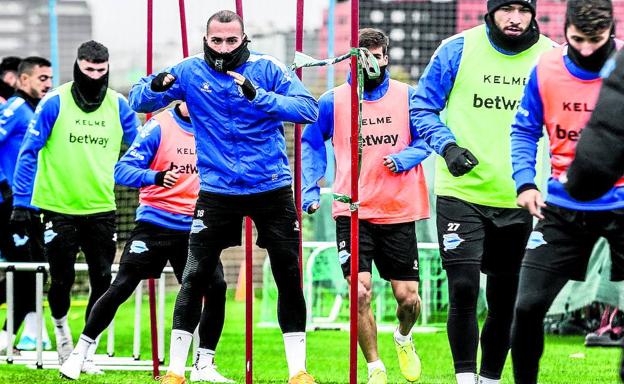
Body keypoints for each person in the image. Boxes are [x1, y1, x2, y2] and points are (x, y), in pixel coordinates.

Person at [128, 10, 318, 384]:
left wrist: (260, 97)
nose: (223, 48)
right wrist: (156, 86)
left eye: (232, 41)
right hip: (218, 191)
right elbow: (139, 101)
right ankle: (176, 371)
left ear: (244, 39)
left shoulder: (267, 68)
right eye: (217, 41)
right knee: (194, 274)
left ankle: (298, 371)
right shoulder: (188, 70)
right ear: (206, 39)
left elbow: (307, 109)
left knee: (288, 272)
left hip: (271, 187)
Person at [411, 1, 554, 383]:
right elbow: (422, 107)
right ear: (490, 12)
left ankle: (489, 378)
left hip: (523, 197)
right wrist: (447, 146)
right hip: (461, 191)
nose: (514, 18)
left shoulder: (552, 58)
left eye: (523, 9)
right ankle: (464, 379)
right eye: (506, 9)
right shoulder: (457, 49)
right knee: (462, 288)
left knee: (506, 297)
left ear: (533, 13)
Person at [59, 102, 232, 381]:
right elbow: (123, 170)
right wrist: (156, 176)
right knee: (123, 283)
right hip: (155, 222)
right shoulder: (158, 126)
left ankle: (204, 365)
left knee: (216, 286)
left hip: (195, 226)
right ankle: (79, 353)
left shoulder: (214, 124)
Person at [302, 28, 429, 384]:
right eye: (362, 55)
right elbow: (311, 142)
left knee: (408, 300)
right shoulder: (332, 100)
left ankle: (403, 338)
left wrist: (406, 158)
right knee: (359, 291)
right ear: (351, 57)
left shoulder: (408, 97)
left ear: (385, 57)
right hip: (352, 211)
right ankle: (375, 368)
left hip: (398, 210)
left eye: (375, 54)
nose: (368, 61)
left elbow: (428, 137)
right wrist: (310, 189)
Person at [510, 1, 624, 383]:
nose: (588, 49)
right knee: (526, 308)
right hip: (563, 204)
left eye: (596, 39)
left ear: (611, 29)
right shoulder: (546, 69)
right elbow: (524, 130)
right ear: (564, 31)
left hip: (622, 202)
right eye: (578, 39)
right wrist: (525, 182)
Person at [11, 40, 140, 365]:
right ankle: (62, 332)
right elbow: (28, 153)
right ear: (78, 66)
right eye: (89, 70)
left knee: (102, 280)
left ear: (107, 67)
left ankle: (86, 350)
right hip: (57, 206)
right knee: (63, 279)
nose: (95, 76)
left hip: (101, 207)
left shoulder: (118, 105)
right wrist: (22, 203)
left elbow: (141, 147)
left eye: (101, 70)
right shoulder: (54, 101)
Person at [0, 56, 53, 353]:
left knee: (34, 274)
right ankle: (7, 338)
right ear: (23, 80)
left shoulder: (38, 110)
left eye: (50, 78)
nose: (48, 83)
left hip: (31, 204)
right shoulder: (17, 109)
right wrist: (3, 184)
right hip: (9, 206)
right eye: (41, 78)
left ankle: (9, 338)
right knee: (27, 273)